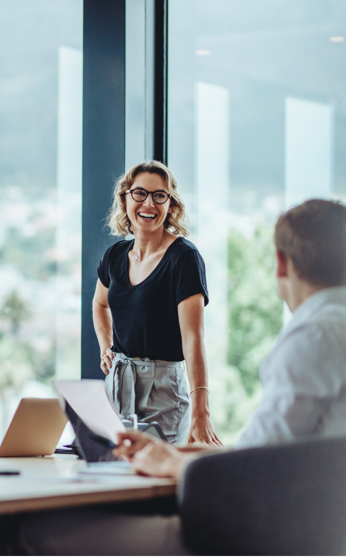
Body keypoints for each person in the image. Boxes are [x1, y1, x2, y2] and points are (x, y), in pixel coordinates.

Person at [19, 199, 346, 557]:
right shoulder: (334, 328)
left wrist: (168, 461)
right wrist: (174, 451)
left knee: (38, 530)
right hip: (318, 531)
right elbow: (285, 449)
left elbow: (255, 468)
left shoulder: (313, 337)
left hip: (258, 534)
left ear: (281, 264)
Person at [94, 161, 219, 445]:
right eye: (139, 193)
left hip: (163, 389)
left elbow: (193, 340)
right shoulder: (114, 256)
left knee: (156, 482)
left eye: (159, 195)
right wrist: (105, 347)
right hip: (117, 383)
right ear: (125, 199)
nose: (148, 203)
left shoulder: (184, 258)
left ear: (170, 204)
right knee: (113, 476)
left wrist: (202, 411)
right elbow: (100, 305)